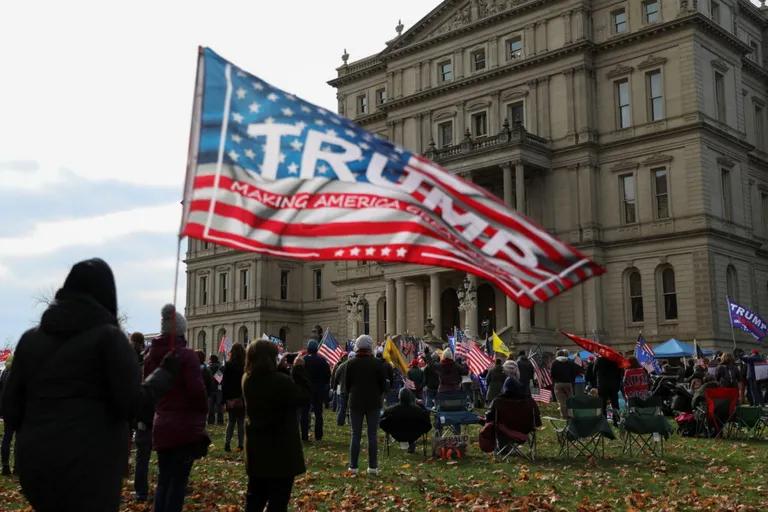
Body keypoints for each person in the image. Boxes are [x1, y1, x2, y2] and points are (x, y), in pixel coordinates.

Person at [0, 258, 176, 512]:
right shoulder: (110, 340)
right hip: (93, 470)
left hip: (37, 467)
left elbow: (10, 408)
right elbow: (133, 404)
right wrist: (164, 374)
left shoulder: (30, 340)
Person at [144, 304, 208, 512]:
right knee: (178, 482)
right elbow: (197, 392)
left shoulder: (150, 357)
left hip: (161, 422)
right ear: (181, 330)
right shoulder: (186, 356)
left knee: (164, 480)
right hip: (184, 427)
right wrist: (203, 410)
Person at [242, 339, 310, 512]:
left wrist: (280, 370)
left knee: (255, 498)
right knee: (278, 502)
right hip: (280, 452)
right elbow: (302, 396)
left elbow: (272, 386)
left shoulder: (247, 379)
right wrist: (299, 369)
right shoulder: (279, 382)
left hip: (257, 450)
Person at [345, 335, 387, 474]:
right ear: (370, 347)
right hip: (373, 402)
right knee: (372, 435)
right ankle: (373, 467)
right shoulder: (377, 363)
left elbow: (347, 385)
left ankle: (353, 466)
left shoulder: (351, 363)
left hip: (356, 401)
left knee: (355, 434)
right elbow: (383, 385)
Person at [380, 388, 431, 454]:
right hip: (414, 435)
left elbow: (382, 420)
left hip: (397, 434)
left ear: (399, 396)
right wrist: (421, 405)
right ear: (411, 397)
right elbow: (427, 421)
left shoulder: (391, 410)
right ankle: (411, 447)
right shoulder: (418, 410)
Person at [301, 340, 331, 442]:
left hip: (306, 389)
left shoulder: (303, 360)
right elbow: (328, 375)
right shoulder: (322, 361)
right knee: (318, 413)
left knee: (305, 413)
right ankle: (318, 435)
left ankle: (304, 436)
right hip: (319, 389)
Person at [222, 343, 246, 452]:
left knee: (231, 421)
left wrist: (223, 399)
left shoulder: (228, 365)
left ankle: (227, 443)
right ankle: (241, 444)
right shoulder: (245, 365)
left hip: (231, 396)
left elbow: (224, 383)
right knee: (241, 422)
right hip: (241, 396)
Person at [550, 350, 581, 418]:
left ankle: (564, 416)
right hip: (568, 383)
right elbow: (576, 371)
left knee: (562, 402)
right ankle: (571, 415)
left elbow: (552, 374)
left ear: (557, 355)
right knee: (570, 400)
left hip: (558, 384)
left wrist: (555, 380)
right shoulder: (570, 362)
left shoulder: (554, 363)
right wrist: (571, 379)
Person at [0, 356, 16, 476]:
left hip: (6, 411)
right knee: (19, 439)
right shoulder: (19, 373)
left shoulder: (4, 373)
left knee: (7, 437)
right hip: (19, 411)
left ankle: (5, 466)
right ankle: (17, 467)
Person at [332, 352, 353, 426]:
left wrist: (336, 385)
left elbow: (336, 376)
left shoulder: (342, 365)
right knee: (351, 407)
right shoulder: (356, 366)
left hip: (343, 389)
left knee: (342, 407)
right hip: (352, 390)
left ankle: (340, 422)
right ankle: (351, 423)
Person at [207, 354, 224, 425]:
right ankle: (220, 421)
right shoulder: (221, 367)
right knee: (219, 405)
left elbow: (217, 379)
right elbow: (219, 379)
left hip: (212, 389)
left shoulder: (209, 368)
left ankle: (211, 421)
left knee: (211, 406)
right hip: (219, 388)